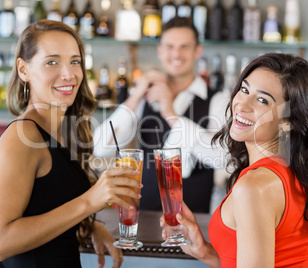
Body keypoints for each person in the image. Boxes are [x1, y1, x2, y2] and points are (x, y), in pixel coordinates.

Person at [160, 53, 308, 267]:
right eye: (244, 90)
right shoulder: (293, 172)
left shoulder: (254, 187)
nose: (243, 105)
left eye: (262, 100)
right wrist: (205, 252)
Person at [0, 20, 142, 268]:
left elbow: (49, 205)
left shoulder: (62, 131)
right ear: (23, 70)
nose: (69, 74)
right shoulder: (22, 136)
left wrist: (87, 227)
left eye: (75, 61)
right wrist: (89, 202)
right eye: (52, 62)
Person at [93, 17, 229, 213]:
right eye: (169, 46)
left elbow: (222, 156)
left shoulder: (217, 99)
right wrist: (137, 94)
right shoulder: (145, 96)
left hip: (196, 222)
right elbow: (101, 147)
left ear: (198, 51)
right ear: (160, 51)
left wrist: (170, 114)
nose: (176, 54)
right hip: (146, 218)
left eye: (184, 47)